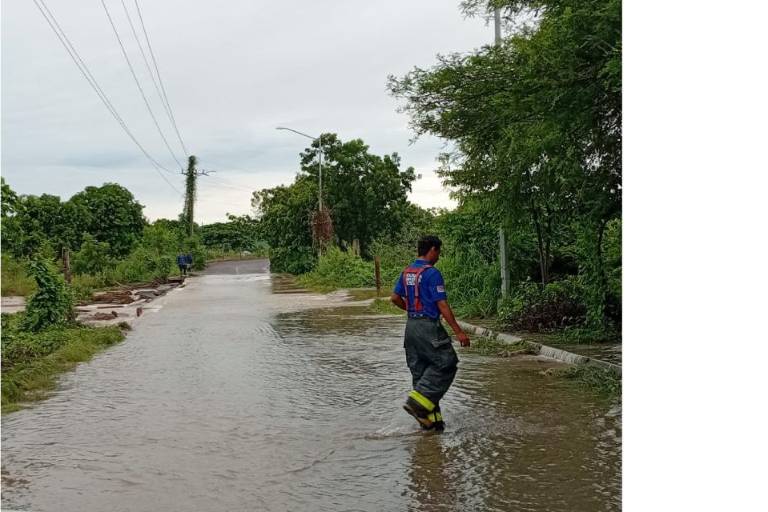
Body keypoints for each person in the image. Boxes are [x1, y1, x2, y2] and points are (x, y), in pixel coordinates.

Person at [391, 235, 470, 431]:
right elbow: (442, 304)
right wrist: (459, 332)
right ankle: (416, 404)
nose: (439, 256)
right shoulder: (432, 273)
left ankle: (432, 423)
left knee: (422, 373)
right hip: (428, 327)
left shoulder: (406, 272)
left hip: (411, 327)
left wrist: (411, 308)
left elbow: (394, 298)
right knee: (447, 363)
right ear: (432, 250)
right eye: (439, 252)